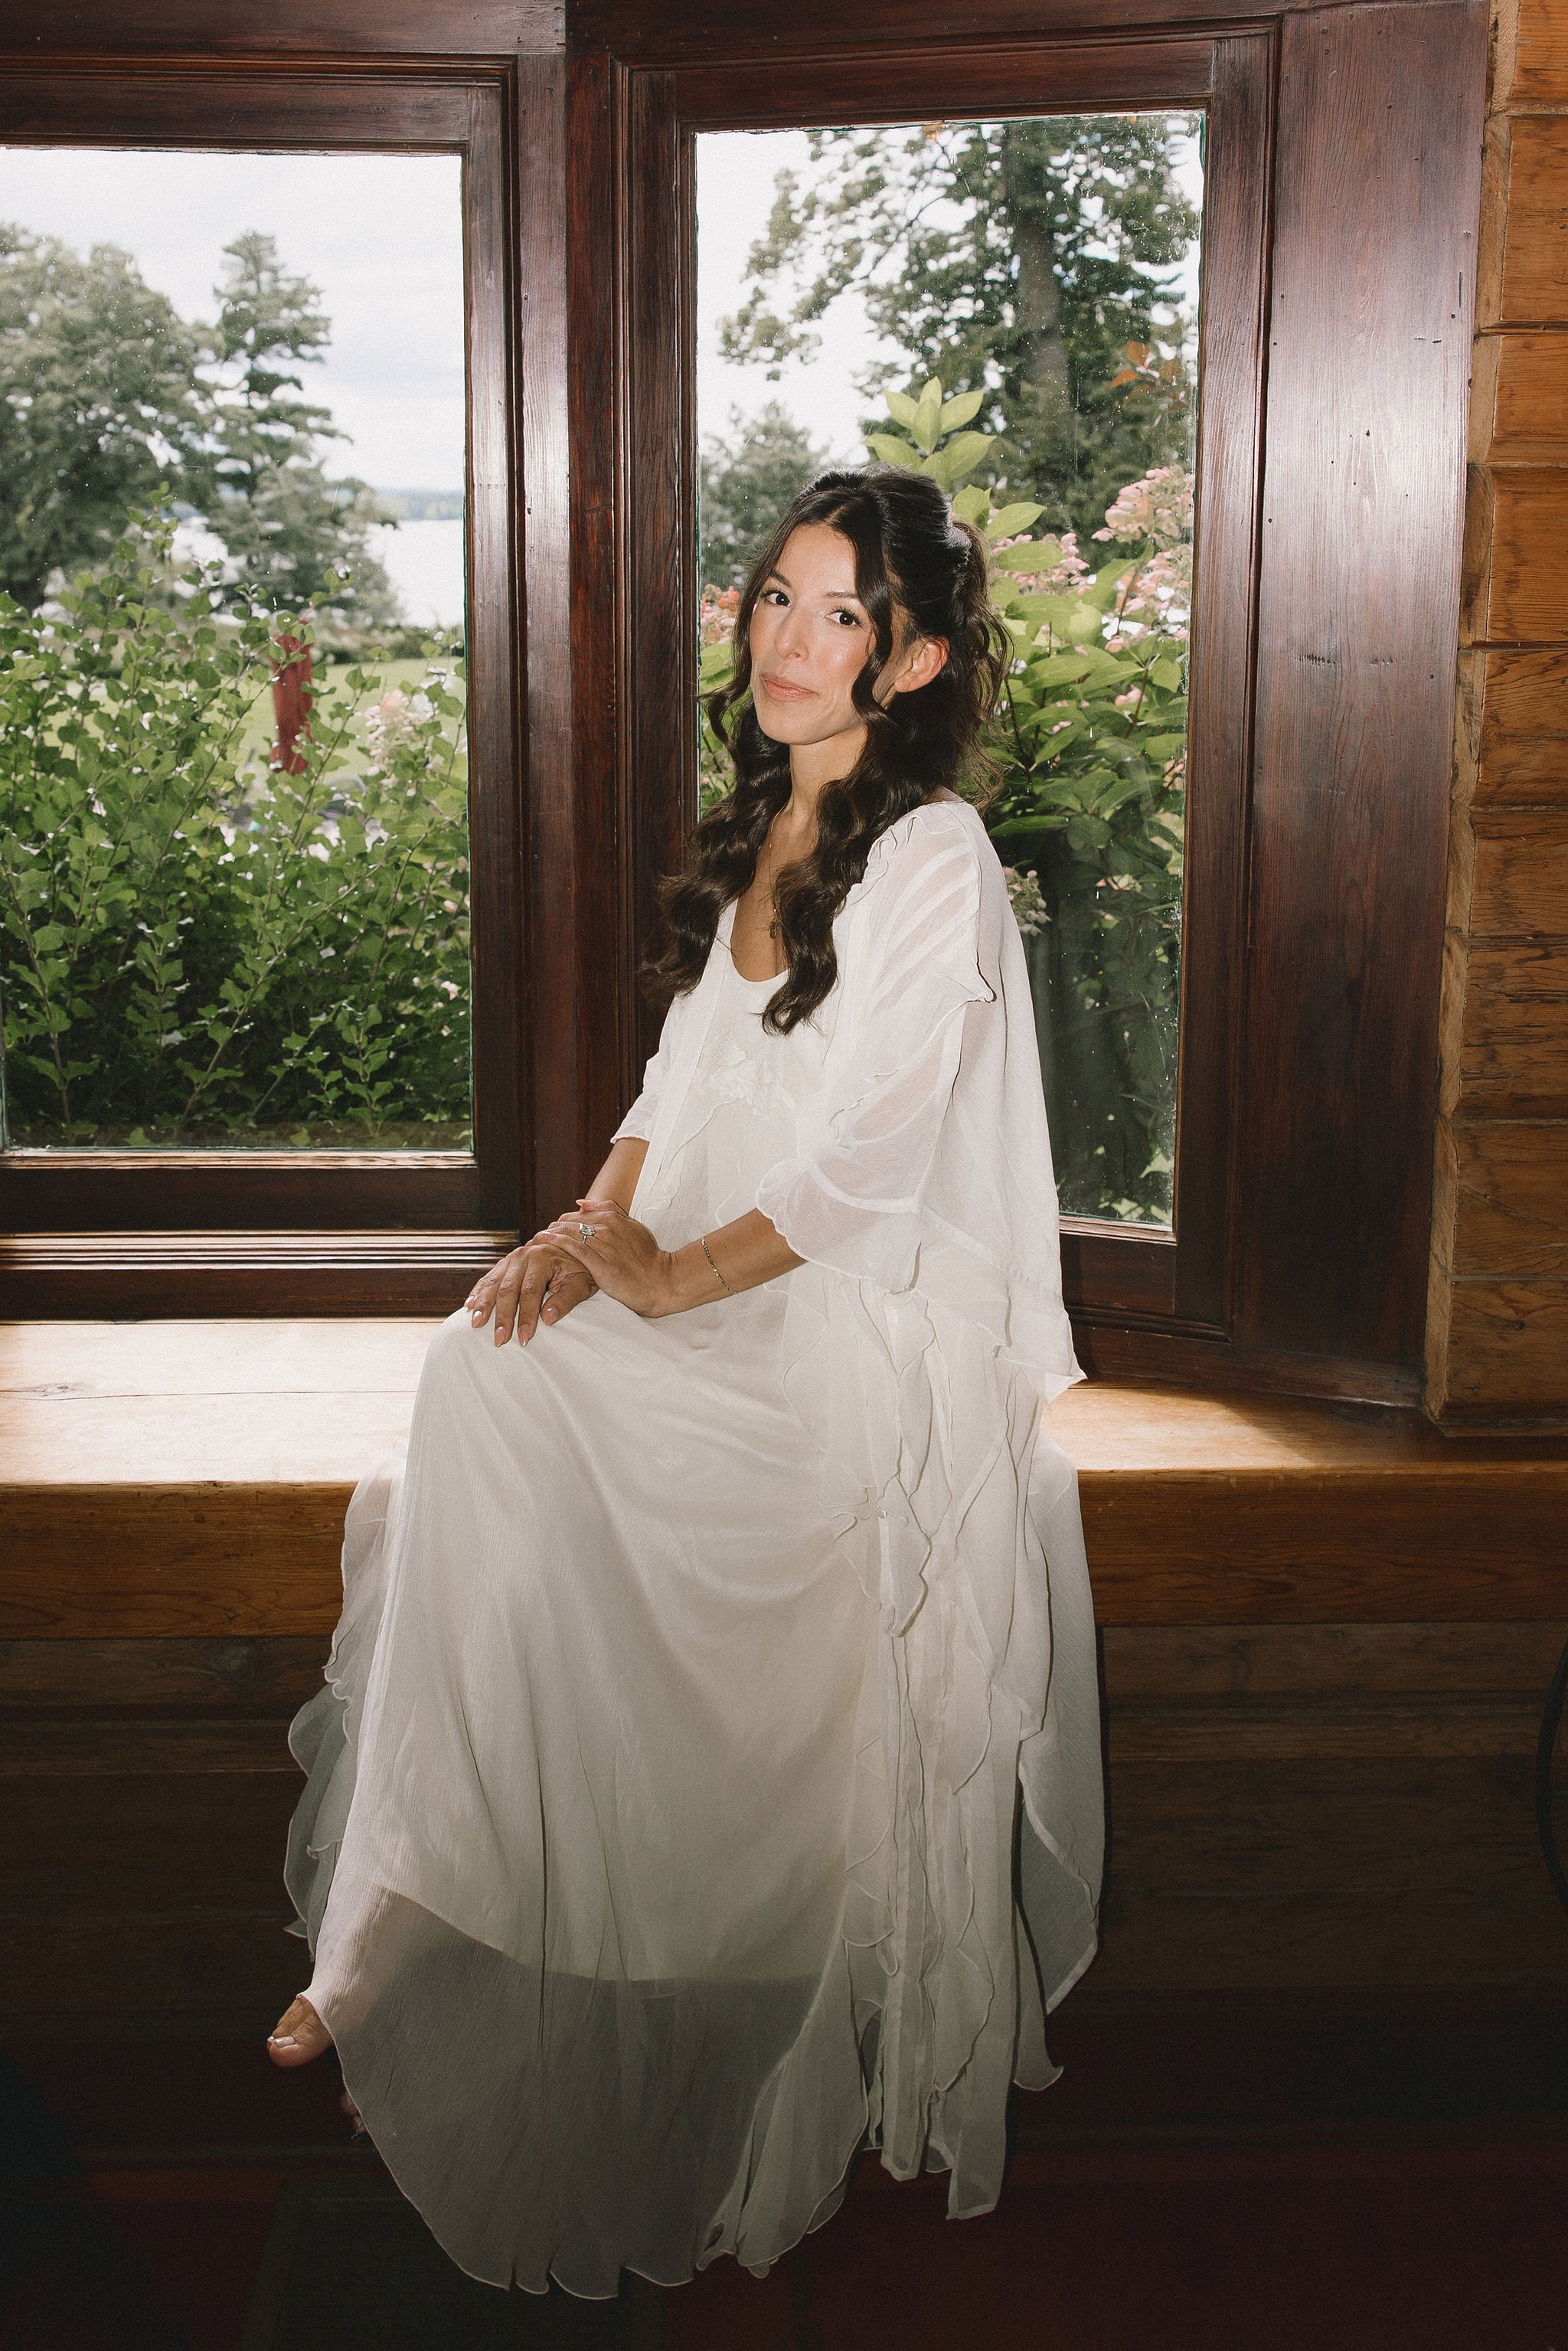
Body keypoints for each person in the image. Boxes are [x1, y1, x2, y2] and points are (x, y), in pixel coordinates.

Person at [267, 465, 1104, 2300]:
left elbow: (872, 1163)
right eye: (773, 600)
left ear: (917, 660)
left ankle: (411, 1911)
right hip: (705, 1290)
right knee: (481, 1373)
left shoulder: (933, 856)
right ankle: (397, 1908)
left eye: (838, 618)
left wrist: (657, 1278)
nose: (786, 644)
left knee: (501, 1411)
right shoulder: (761, 833)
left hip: (833, 1339)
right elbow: (673, 1096)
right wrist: (576, 1236)